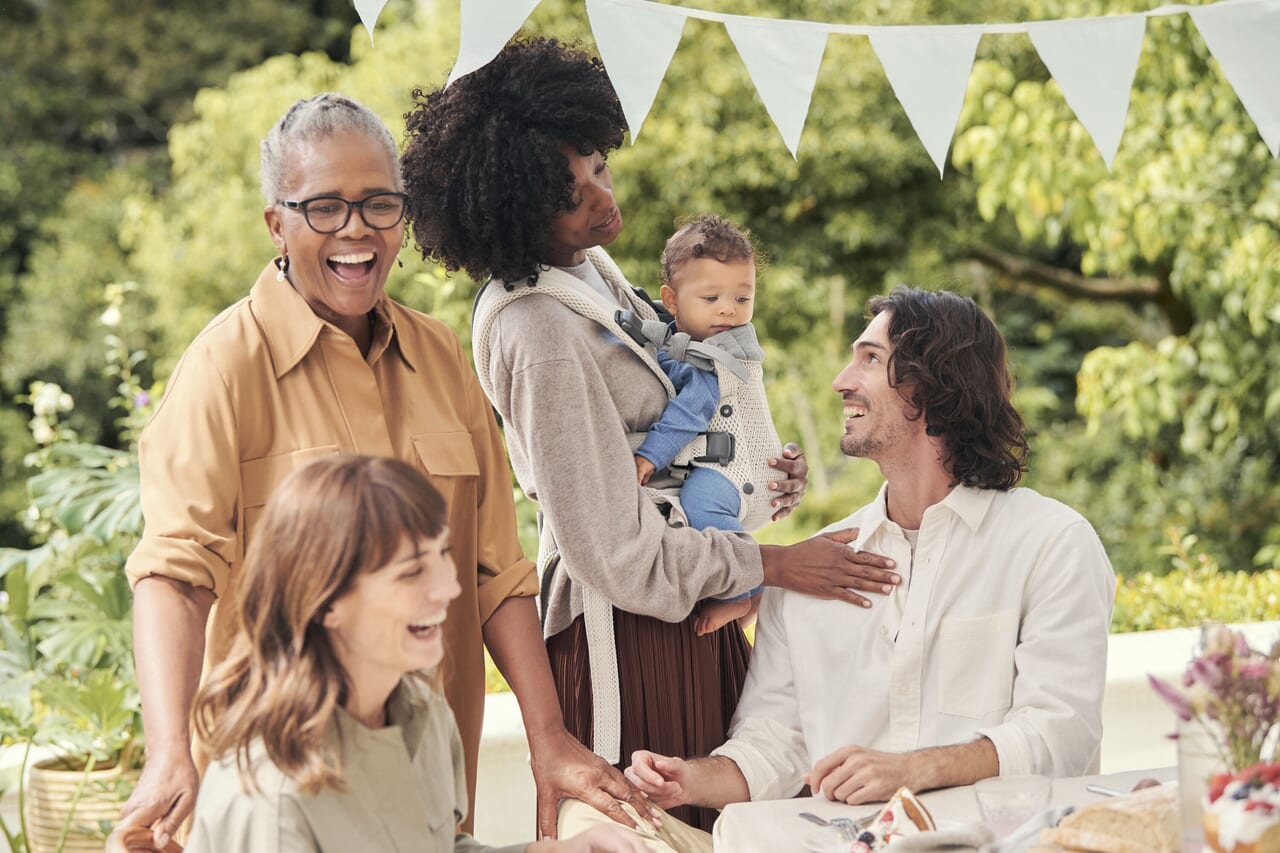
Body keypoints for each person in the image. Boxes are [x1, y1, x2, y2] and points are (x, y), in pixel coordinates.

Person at [119, 93, 651, 848]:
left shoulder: (439, 355)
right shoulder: (224, 368)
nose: (356, 230)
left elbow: (496, 569)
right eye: (325, 208)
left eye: (378, 205)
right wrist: (169, 750)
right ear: (278, 222)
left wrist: (549, 736)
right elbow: (174, 575)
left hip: (425, 776)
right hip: (293, 783)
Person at [401, 38, 900, 838]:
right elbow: (616, 551)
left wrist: (754, 475)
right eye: (574, 194)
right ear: (519, 213)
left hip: (684, 613)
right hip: (629, 644)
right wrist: (775, 565)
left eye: (598, 165)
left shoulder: (588, 271)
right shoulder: (536, 327)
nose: (605, 200)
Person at [627, 286, 1117, 813]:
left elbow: (1062, 736)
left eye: (870, 359)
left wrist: (912, 770)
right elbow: (774, 745)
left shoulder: (1052, 544)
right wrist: (690, 781)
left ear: (933, 384)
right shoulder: (816, 567)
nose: (842, 381)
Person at [184, 454, 649, 853]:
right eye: (411, 573)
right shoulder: (269, 801)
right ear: (325, 600)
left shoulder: (421, 713)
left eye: (442, 557)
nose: (448, 589)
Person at [631, 215, 779, 636]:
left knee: (702, 508)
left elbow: (693, 407)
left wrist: (649, 456)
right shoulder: (691, 341)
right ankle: (745, 589)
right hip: (727, 459)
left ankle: (743, 592)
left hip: (735, 469)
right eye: (711, 297)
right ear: (672, 300)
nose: (729, 310)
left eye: (743, 298)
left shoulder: (716, 354)